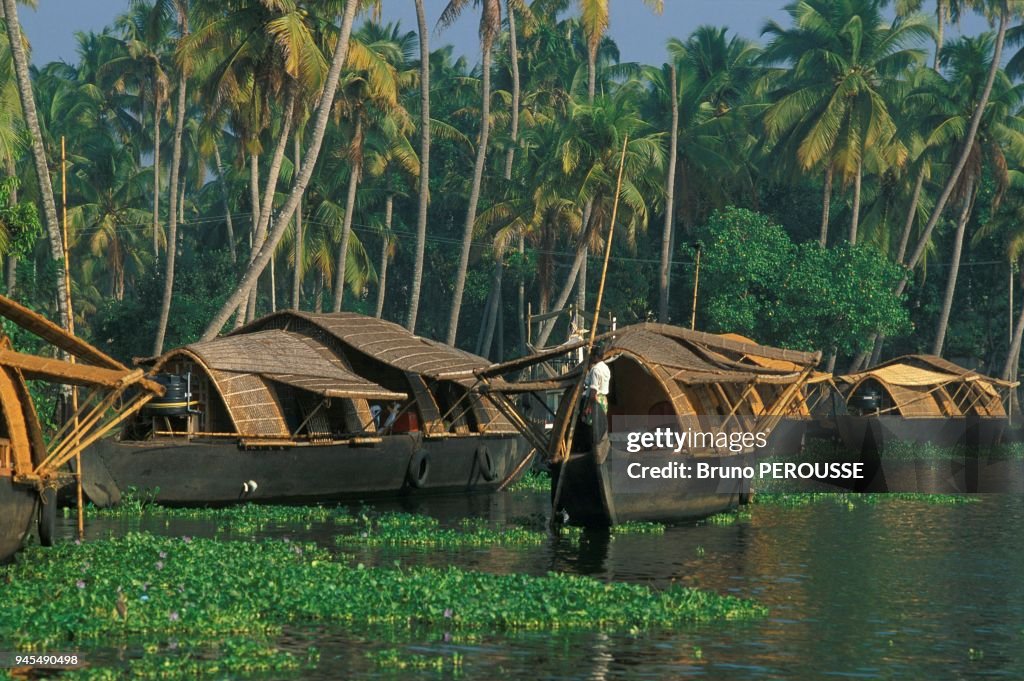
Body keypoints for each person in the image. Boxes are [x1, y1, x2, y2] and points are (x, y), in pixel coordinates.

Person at [583, 347, 611, 437]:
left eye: (591, 356)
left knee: (593, 426)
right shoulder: (606, 368)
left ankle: (595, 448)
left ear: (595, 357)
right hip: (603, 400)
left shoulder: (596, 370)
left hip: (595, 399)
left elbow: (594, 390)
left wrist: (588, 407)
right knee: (600, 425)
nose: (591, 358)